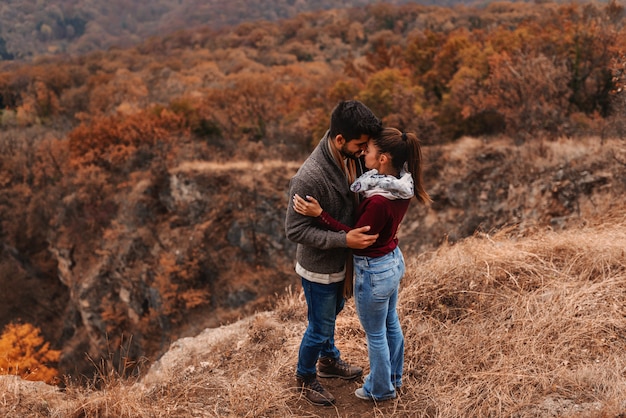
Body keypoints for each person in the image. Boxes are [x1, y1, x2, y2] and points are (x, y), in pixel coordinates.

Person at [292, 127, 431, 402]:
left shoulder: (379, 200)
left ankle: (379, 390)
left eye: (369, 150)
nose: (363, 152)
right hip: (392, 260)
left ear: (383, 158)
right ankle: (394, 378)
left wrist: (320, 215)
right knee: (391, 323)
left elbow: (355, 236)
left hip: (374, 269)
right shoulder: (400, 183)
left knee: (377, 334)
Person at [285, 100, 382, 406]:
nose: (364, 150)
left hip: (340, 265)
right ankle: (305, 377)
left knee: (332, 313)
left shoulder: (349, 157)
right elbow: (295, 231)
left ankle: (328, 361)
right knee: (320, 326)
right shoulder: (309, 177)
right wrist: (344, 240)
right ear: (340, 139)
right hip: (320, 268)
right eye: (360, 144)